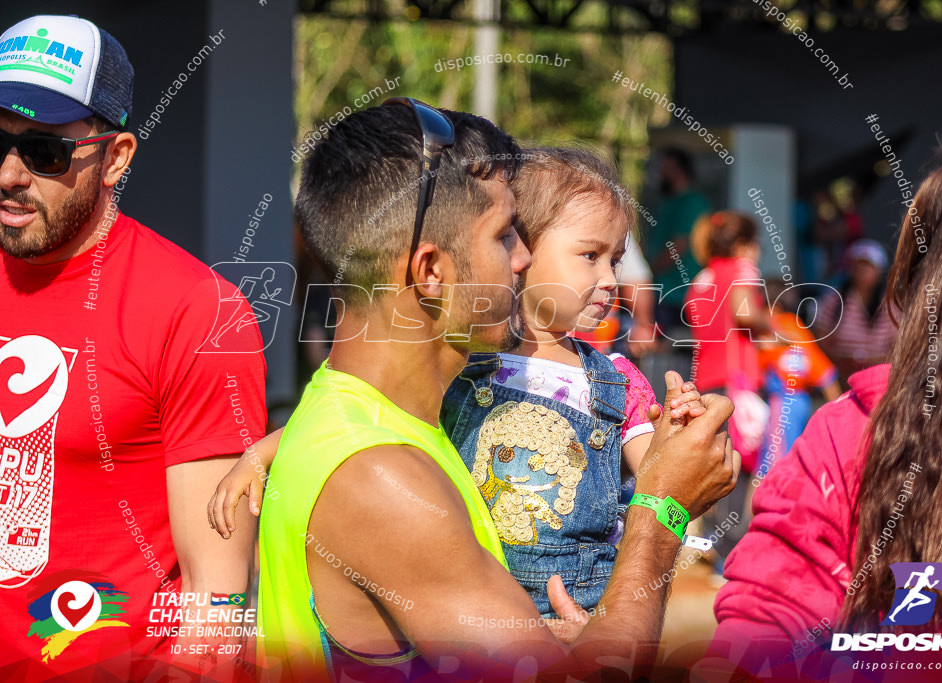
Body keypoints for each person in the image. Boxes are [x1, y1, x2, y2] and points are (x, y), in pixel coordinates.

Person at [217, 100, 738, 681]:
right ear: (431, 271)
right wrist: (661, 506)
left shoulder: (363, 412)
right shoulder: (379, 478)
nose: (522, 258)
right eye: (505, 235)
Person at [702, 99, 942, 676]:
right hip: (766, 396)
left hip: (748, 396)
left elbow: (765, 625)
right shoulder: (809, 314)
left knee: (747, 478)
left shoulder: (847, 431)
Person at [0, 14, 266, 682]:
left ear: (115, 157)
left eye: (43, 152)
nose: (8, 173)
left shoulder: (198, 313)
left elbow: (218, 593)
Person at [441, 147, 707, 616]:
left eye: (616, 260)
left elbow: (660, 481)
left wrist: (678, 436)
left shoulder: (619, 382)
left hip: (581, 615)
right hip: (468, 609)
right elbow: (374, 416)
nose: (609, 278)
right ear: (519, 249)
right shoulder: (455, 359)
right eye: (590, 256)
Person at [683, 210, 773, 579]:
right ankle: (730, 554)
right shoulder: (741, 268)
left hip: (705, 380)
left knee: (712, 462)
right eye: (753, 245)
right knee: (738, 467)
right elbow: (744, 312)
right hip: (737, 383)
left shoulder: (703, 276)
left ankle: (707, 543)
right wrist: (775, 323)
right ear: (741, 245)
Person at [756, 279, 840, 476]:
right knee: (791, 461)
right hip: (801, 402)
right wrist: (837, 416)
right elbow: (826, 376)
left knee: (774, 468)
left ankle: (771, 506)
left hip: (781, 402)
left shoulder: (767, 329)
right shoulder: (798, 328)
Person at [813, 238, 899, 389]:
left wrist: (875, 362)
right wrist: (842, 362)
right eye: (860, 265)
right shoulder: (834, 301)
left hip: (880, 379)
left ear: (879, 270)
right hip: (842, 379)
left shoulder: (890, 303)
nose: (863, 271)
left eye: (869, 266)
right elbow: (822, 340)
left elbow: (898, 342)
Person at [646, 148, 710, 340]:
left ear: (679, 170)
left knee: (671, 351)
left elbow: (679, 245)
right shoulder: (668, 201)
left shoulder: (692, 202)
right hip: (662, 292)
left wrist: (649, 272)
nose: (660, 173)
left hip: (678, 294)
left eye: (665, 167)